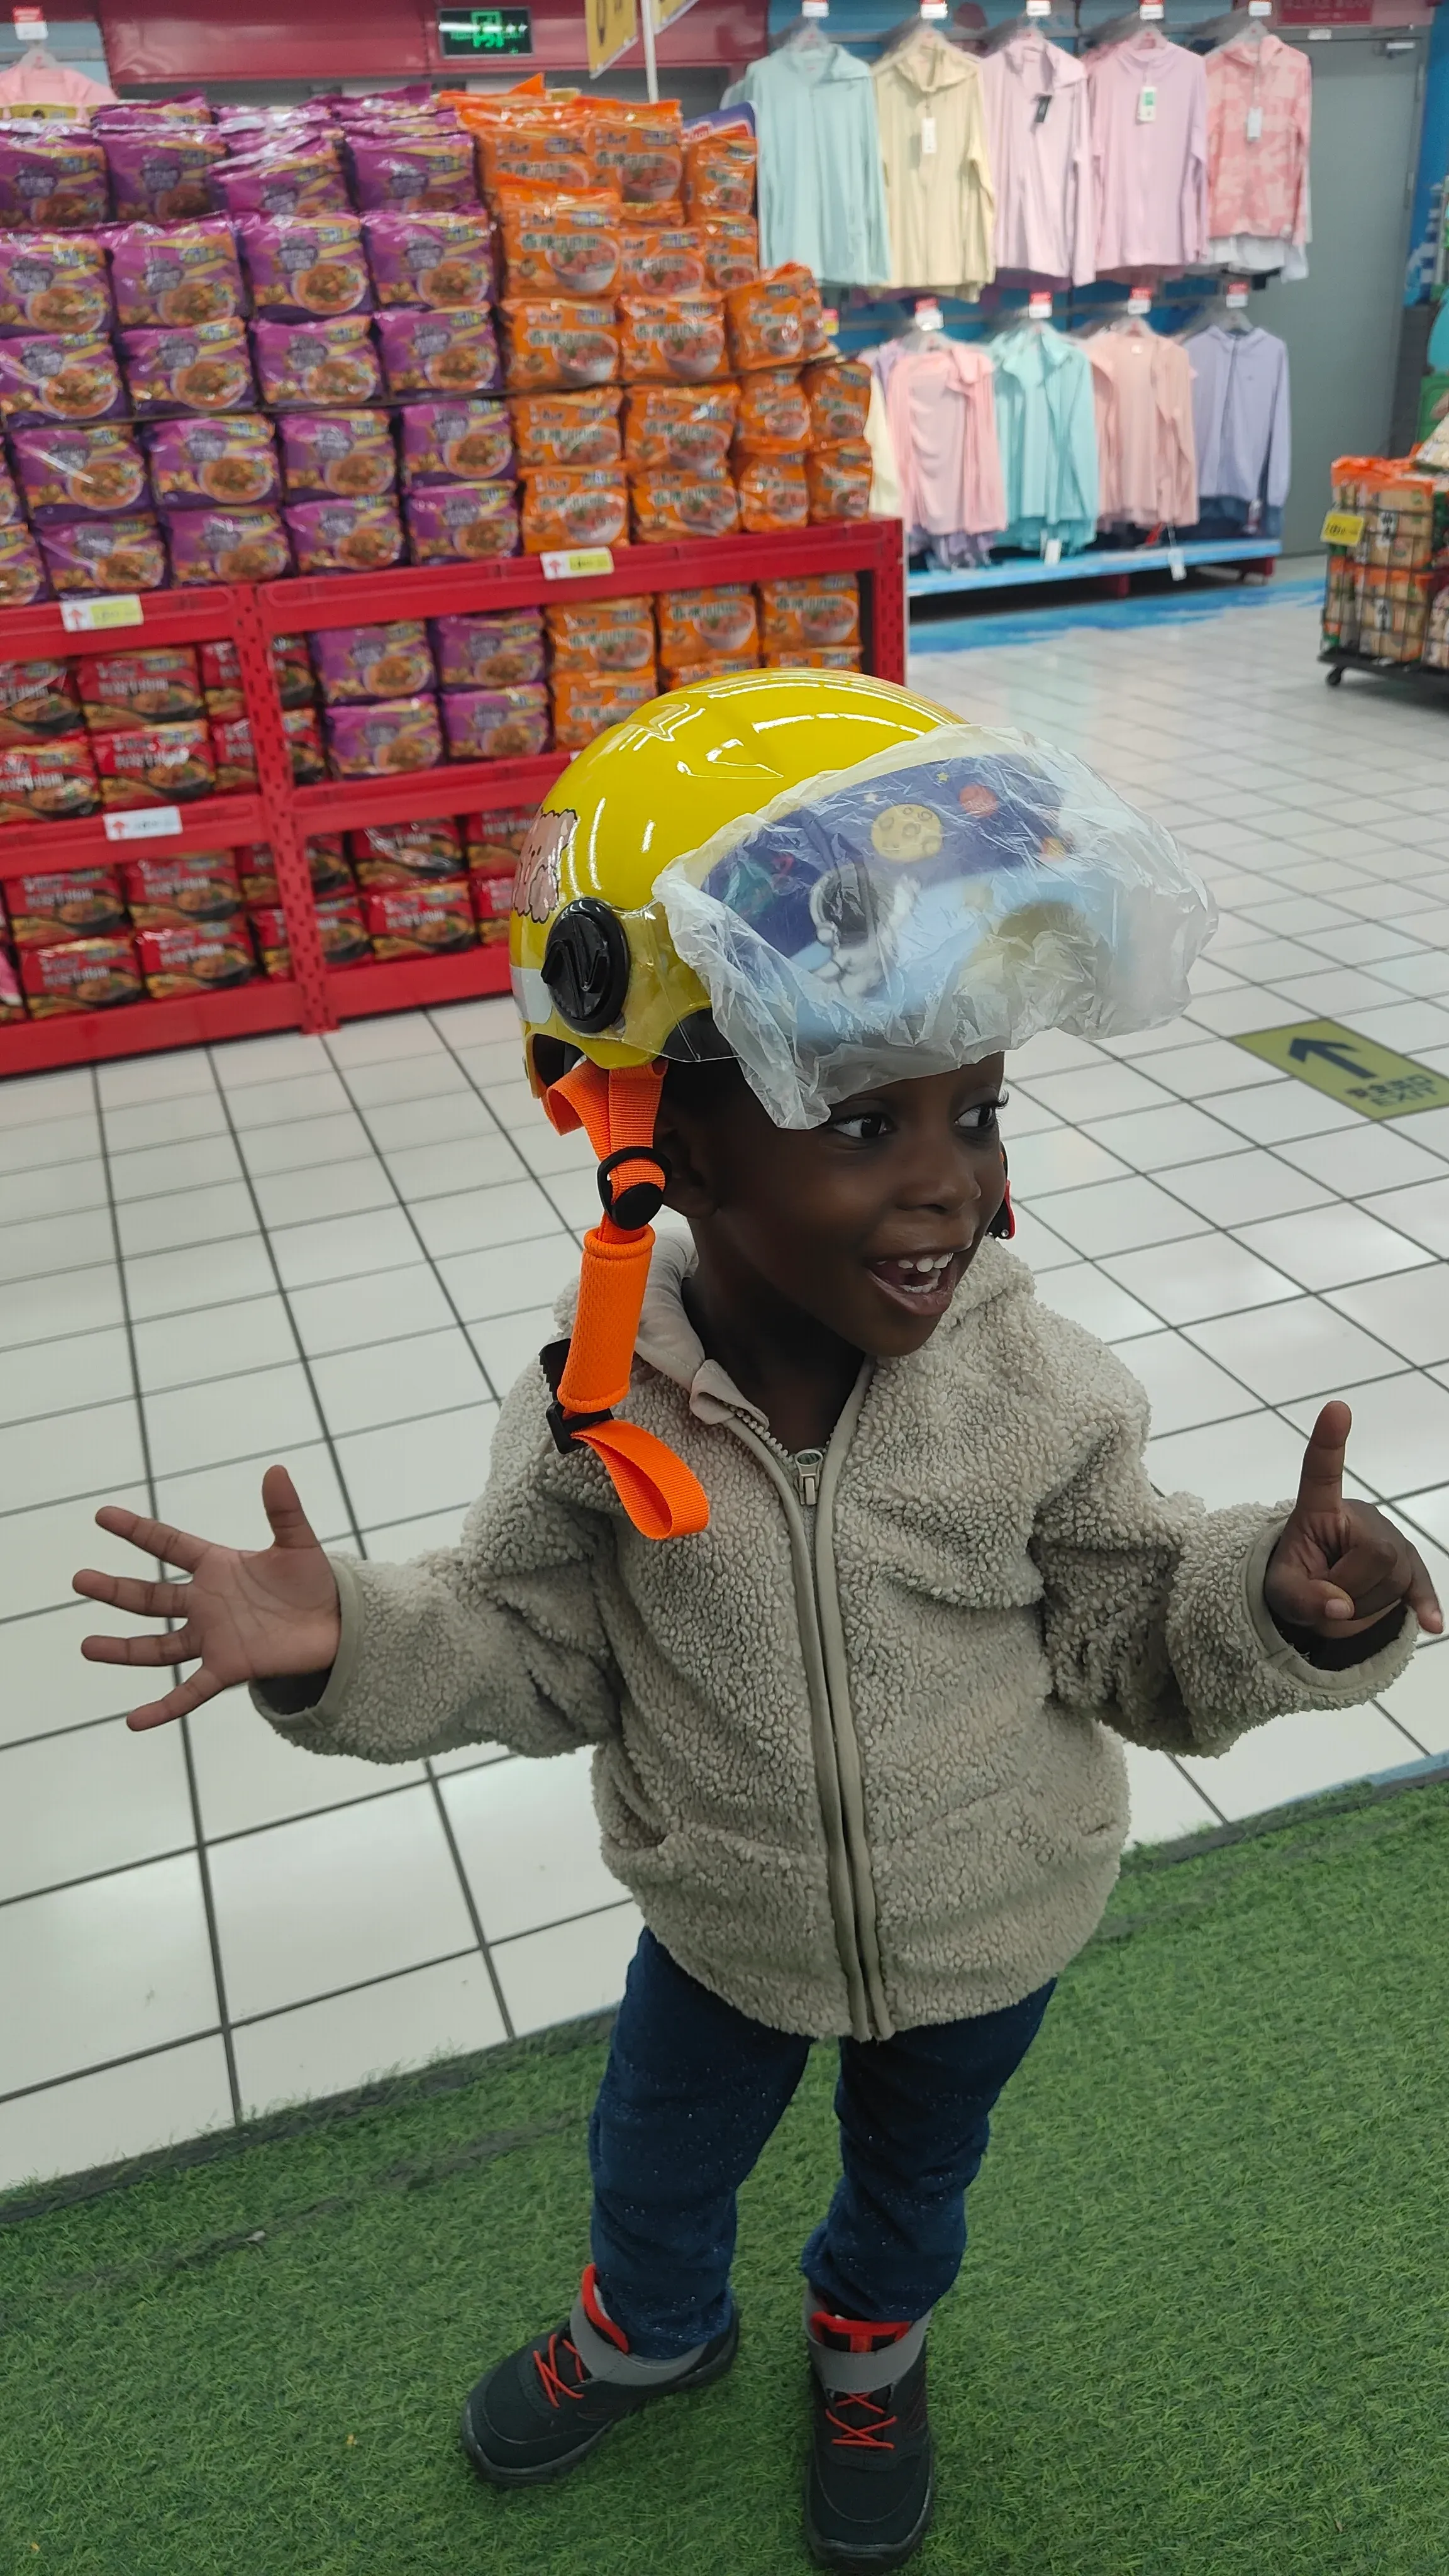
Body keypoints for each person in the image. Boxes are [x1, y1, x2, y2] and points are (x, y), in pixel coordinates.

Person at [74, 675, 1438, 2576]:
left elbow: (1134, 1614)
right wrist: (348, 1641)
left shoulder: (1035, 1389)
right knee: (651, 2159)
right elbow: (533, 1646)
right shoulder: (601, 1402)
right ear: (677, 1150)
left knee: (916, 2179)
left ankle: (869, 2346)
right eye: (865, 1118)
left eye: (976, 1108)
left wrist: (1282, 1609)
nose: (952, 1179)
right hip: (722, 1923)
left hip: (992, 1914)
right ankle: (656, 2328)